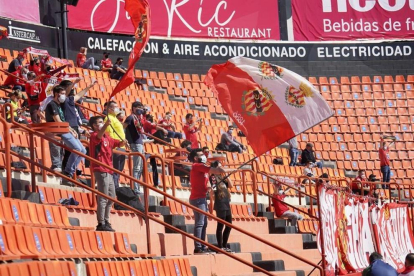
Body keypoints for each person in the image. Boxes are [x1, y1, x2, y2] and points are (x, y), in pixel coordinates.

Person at [89, 116, 127, 232]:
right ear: (95, 126)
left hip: (109, 169)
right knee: (103, 197)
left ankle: (106, 220)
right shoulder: (94, 136)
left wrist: (123, 142)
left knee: (111, 197)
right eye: (100, 122)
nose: (102, 124)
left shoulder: (108, 137)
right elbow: (98, 136)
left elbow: (117, 143)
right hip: (100, 168)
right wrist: (106, 125)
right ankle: (101, 222)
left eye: (103, 122)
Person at [188, 148, 228, 254]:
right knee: (200, 223)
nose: (204, 155)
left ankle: (202, 245)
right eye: (201, 154)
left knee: (204, 223)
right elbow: (217, 171)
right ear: (196, 158)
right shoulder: (197, 166)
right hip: (197, 199)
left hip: (201, 198)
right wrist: (219, 166)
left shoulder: (202, 168)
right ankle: (198, 247)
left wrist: (209, 188)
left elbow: (207, 182)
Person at [45, 86, 87, 184]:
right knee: (77, 149)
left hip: (64, 129)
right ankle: (68, 172)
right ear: (56, 94)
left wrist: (72, 129)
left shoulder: (59, 105)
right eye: (62, 93)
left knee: (83, 151)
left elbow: (63, 121)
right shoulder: (52, 104)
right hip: (58, 130)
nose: (64, 96)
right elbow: (58, 121)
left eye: (64, 93)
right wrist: (70, 130)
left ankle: (70, 171)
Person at [210, 160, 233, 253]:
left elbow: (231, 186)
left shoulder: (223, 178)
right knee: (221, 225)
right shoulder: (213, 178)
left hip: (226, 203)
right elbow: (213, 191)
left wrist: (227, 176)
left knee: (229, 225)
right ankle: (220, 247)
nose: (222, 169)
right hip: (220, 203)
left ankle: (224, 245)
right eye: (220, 167)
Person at [124, 102, 146, 194]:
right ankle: (135, 188)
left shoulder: (138, 118)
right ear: (133, 108)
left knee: (140, 167)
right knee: (136, 167)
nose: (140, 109)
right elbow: (123, 127)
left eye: (141, 107)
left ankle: (137, 186)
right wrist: (124, 139)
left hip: (140, 143)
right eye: (138, 107)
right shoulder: (130, 118)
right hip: (135, 143)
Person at [104, 101, 127, 189]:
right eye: (115, 107)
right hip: (116, 147)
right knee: (115, 169)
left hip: (121, 147)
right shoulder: (108, 118)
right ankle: (114, 187)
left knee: (119, 170)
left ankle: (115, 186)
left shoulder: (115, 119)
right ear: (109, 109)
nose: (117, 108)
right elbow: (108, 133)